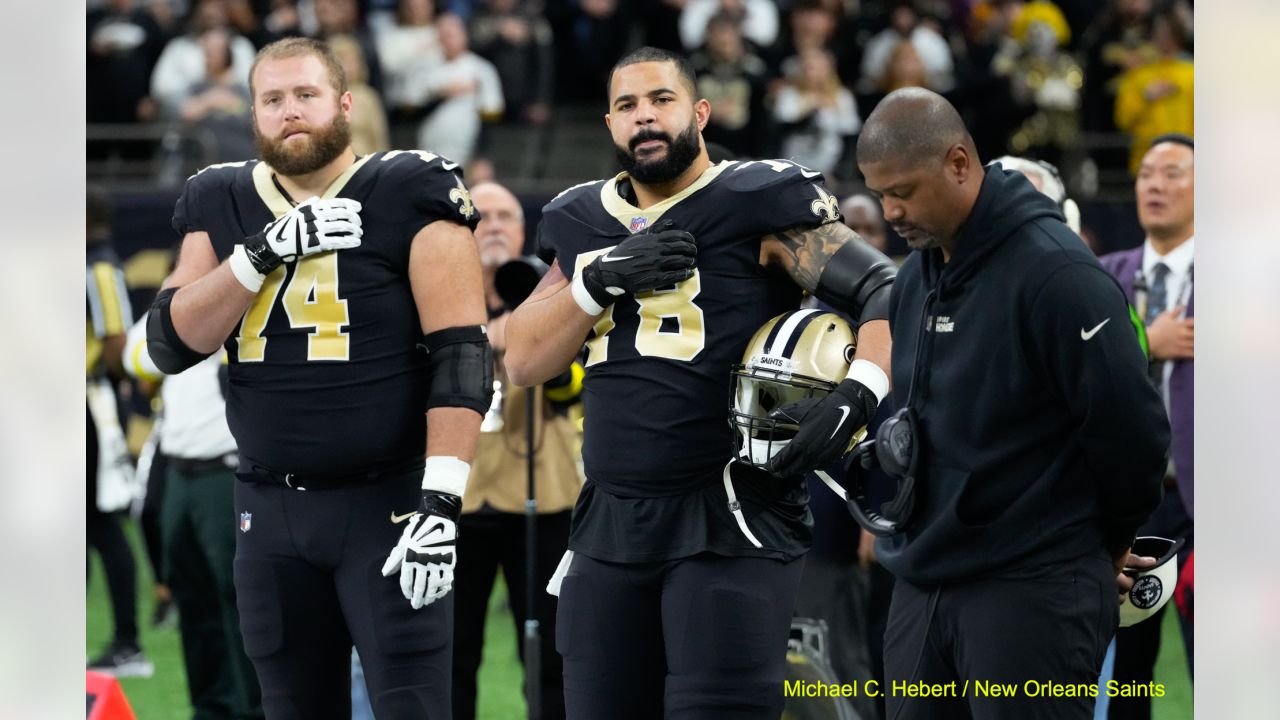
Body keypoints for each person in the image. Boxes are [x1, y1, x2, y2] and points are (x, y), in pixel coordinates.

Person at [503, 46, 897, 719]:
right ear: (608, 124)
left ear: (701, 112)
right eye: (627, 106)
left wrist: (860, 392)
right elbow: (522, 359)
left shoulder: (757, 200)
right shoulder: (579, 218)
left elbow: (885, 289)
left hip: (732, 516)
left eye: (661, 100)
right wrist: (596, 281)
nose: (645, 118)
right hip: (610, 524)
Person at [144, 37, 490, 718]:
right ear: (253, 114)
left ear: (344, 104)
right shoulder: (220, 197)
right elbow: (170, 342)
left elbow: (462, 354)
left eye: (305, 94)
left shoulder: (407, 185)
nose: (290, 112)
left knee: (413, 705)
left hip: (387, 504)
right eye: (272, 99)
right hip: (269, 508)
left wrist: (441, 503)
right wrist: (258, 255)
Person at [855, 87, 1170, 720]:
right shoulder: (917, 274)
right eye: (880, 192)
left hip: (1035, 584)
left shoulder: (1059, 274)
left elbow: (1133, 437)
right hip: (923, 581)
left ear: (960, 163)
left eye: (906, 191)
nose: (891, 210)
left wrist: (1101, 545)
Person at [451, 181, 582, 720]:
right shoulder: (438, 294)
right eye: (483, 216)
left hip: (542, 497)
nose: (496, 225)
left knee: (553, 651)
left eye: (507, 215)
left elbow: (571, 389)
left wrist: (525, 329)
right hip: (458, 495)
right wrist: (490, 334)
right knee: (451, 653)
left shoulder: (546, 291)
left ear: (524, 231)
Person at [1098, 134, 1195, 720]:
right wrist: (1147, 344)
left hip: (1210, 502)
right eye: (1145, 174)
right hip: (1127, 505)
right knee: (1124, 672)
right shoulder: (1102, 275)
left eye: (1173, 173)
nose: (1155, 185)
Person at [123, 319, 263, 719]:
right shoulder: (185, 292)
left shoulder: (247, 283)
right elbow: (137, 355)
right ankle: (210, 707)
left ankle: (254, 709)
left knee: (239, 599)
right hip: (178, 471)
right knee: (193, 597)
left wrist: (183, 333)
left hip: (226, 469)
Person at [86, 185, 153, 678]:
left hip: (88, 405)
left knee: (100, 521)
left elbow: (115, 338)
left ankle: (129, 642)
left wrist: (114, 380)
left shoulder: (99, 266)